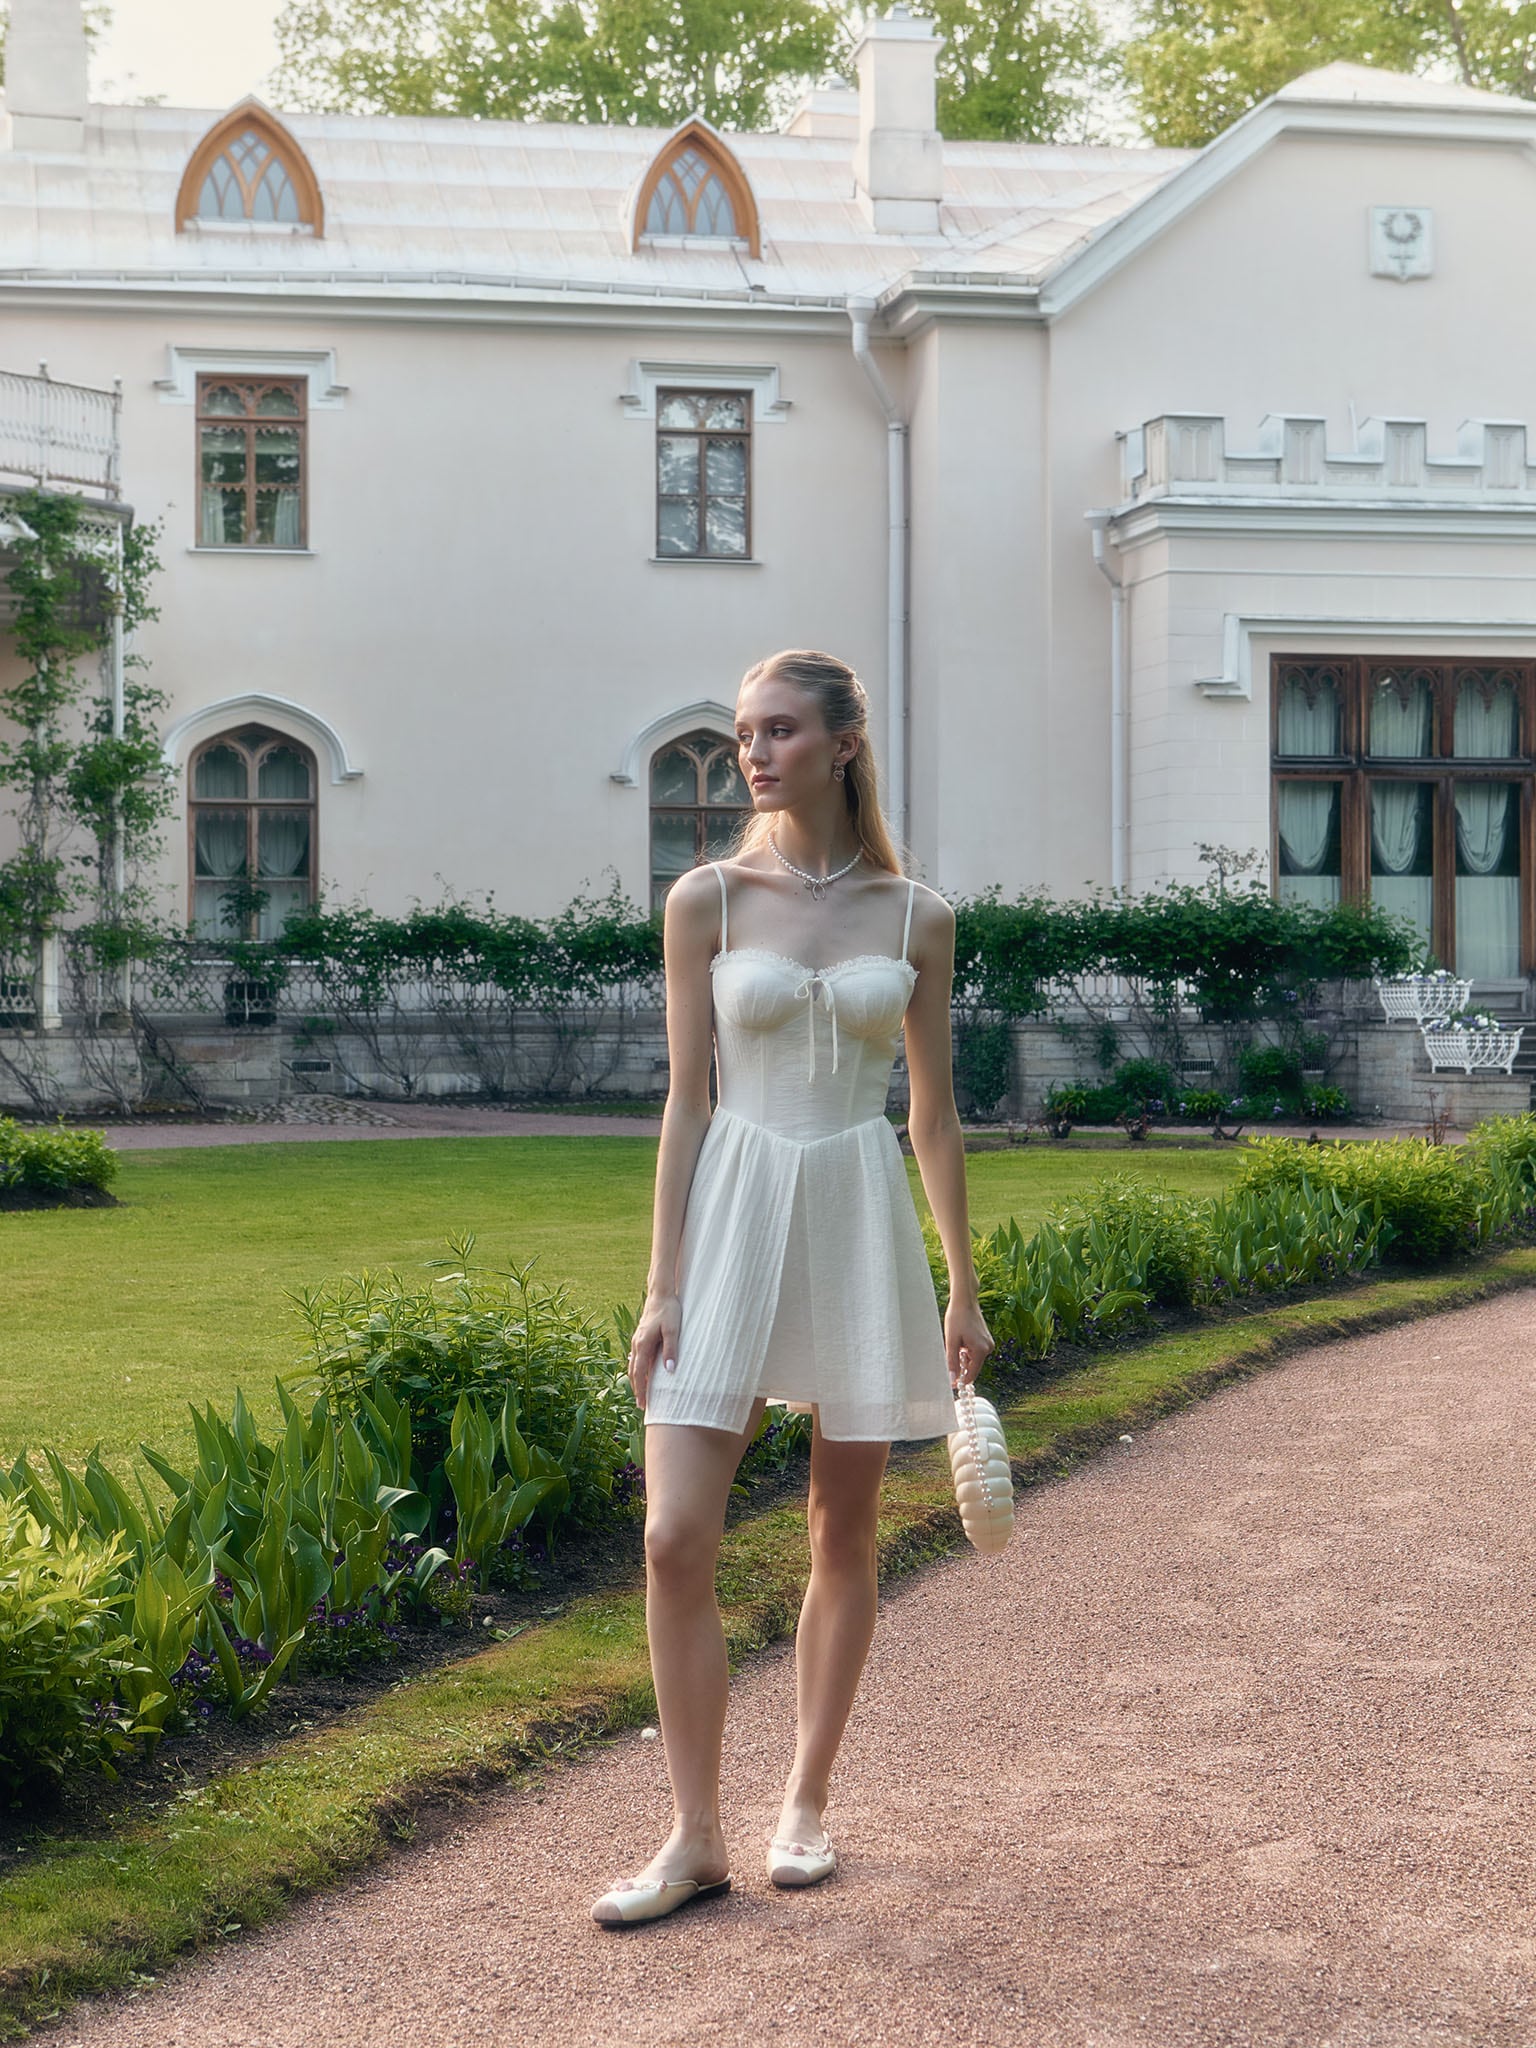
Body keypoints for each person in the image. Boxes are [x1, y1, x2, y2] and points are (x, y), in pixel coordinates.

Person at [589, 648, 994, 1927]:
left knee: (840, 1525)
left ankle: (806, 1800)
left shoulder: (917, 914)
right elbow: (685, 1102)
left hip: (856, 1210)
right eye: (743, 732)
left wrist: (963, 1285)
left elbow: (933, 1115)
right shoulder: (706, 896)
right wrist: (661, 1285)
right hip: (732, 1211)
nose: (753, 753)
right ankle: (694, 1834)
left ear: (842, 744)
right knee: (673, 1536)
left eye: (779, 730)